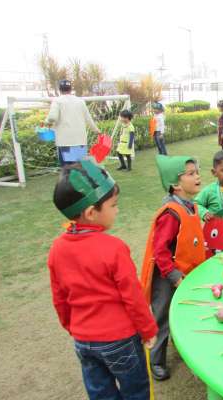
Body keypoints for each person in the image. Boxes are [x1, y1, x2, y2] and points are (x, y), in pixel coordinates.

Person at [48, 160, 158, 399]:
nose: (117, 210)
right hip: (120, 340)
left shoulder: (57, 248)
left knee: (100, 393)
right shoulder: (114, 248)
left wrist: (72, 326)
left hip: (83, 339)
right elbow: (133, 296)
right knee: (136, 390)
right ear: (90, 212)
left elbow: (59, 297)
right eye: (113, 205)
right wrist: (148, 329)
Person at [140, 155, 206, 381]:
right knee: (162, 317)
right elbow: (160, 251)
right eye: (190, 173)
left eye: (197, 171)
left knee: (184, 311)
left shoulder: (191, 205)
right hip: (167, 276)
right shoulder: (170, 213)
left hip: (186, 273)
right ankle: (156, 361)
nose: (197, 176)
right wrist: (175, 277)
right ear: (176, 185)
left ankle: (181, 345)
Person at [45, 80, 101, 166]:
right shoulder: (80, 101)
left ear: (60, 90)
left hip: (65, 141)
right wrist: (96, 131)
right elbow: (88, 119)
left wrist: (47, 122)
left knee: (67, 170)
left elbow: (52, 117)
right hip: (80, 140)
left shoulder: (57, 101)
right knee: (80, 168)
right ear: (71, 89)